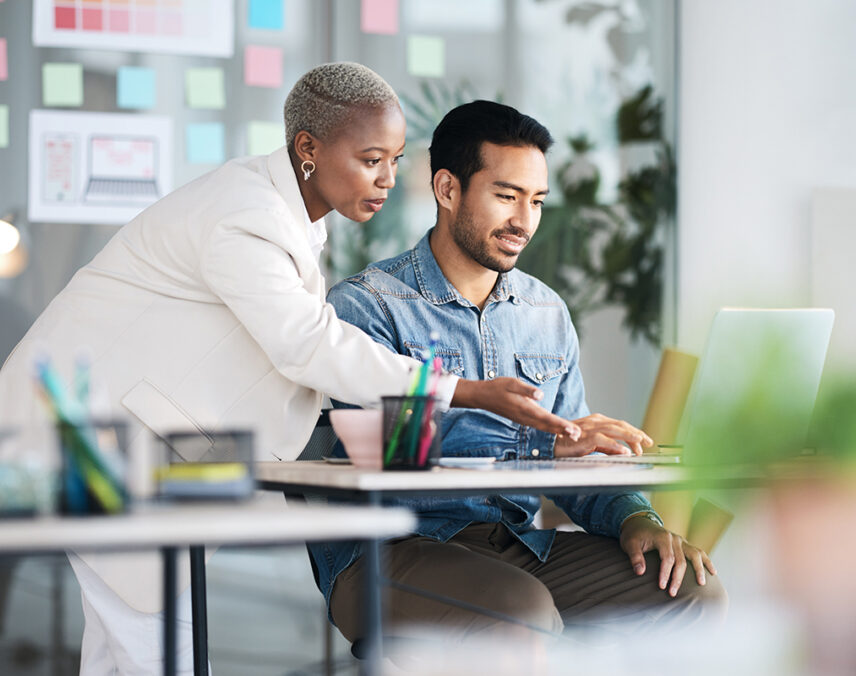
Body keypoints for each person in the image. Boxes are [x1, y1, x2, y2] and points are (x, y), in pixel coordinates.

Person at [0, 64, 584, 674]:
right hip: (82, 440)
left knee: (128, 648)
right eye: (371, 159)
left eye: (395, 159)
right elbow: (305, 344)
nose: (389, 178)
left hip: (116, 441)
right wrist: (470, 391)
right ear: (307, 148)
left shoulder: (284, 217)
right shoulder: (246, 214)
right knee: (157, 650)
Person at [310, 100, 728, 660]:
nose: (524, 222)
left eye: (536, 201)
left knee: (692, 591)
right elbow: (390, 458)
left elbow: (577, 453)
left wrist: (635, 517)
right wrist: (541, 442)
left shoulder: (545, 311)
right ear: (447, 189)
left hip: (516, 545)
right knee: (521, 612)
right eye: (507, 196)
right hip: (389, 550)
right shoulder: (368, 306)